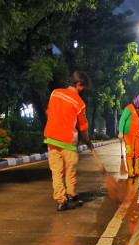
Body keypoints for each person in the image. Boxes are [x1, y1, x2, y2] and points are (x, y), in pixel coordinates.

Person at [44, 71, 93, 211]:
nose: (83, 90)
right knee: (70, 170)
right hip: (67, 141)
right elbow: (83, 126)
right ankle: (71, 195)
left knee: (56, 172)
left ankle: (61, 201)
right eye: (83, 87)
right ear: (78, 84)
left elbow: (49, 112)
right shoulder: (79, 102)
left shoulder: (55, 93)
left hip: (51, 139)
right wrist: (87, 140)